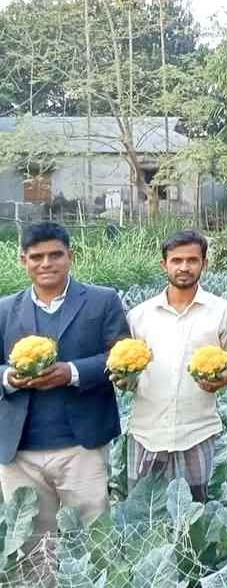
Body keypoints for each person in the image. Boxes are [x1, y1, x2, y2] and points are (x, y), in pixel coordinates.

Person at [0, 222, 129, 542]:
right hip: (20, 451)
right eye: (36, 257)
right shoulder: (4, 309)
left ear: (70, 255)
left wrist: (72, 372)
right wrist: (9, 377)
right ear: (23, 260)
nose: (46, 263)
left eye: (55, 255)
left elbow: (121, 357)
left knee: (93, 538)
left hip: (82, 446)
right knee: (30, 544)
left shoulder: (102, 300)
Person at [123, 230, 227, 502]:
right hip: (147, 432)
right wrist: (124, 379)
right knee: (142, 516)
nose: (184, 267)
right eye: (176, 260)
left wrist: (226, 377)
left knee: (196, 516)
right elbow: (129, 372)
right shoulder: (139, 316)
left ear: (204, 263)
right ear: (164, 264)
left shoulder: (224, 312)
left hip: (197, 432)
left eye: (192, 260)